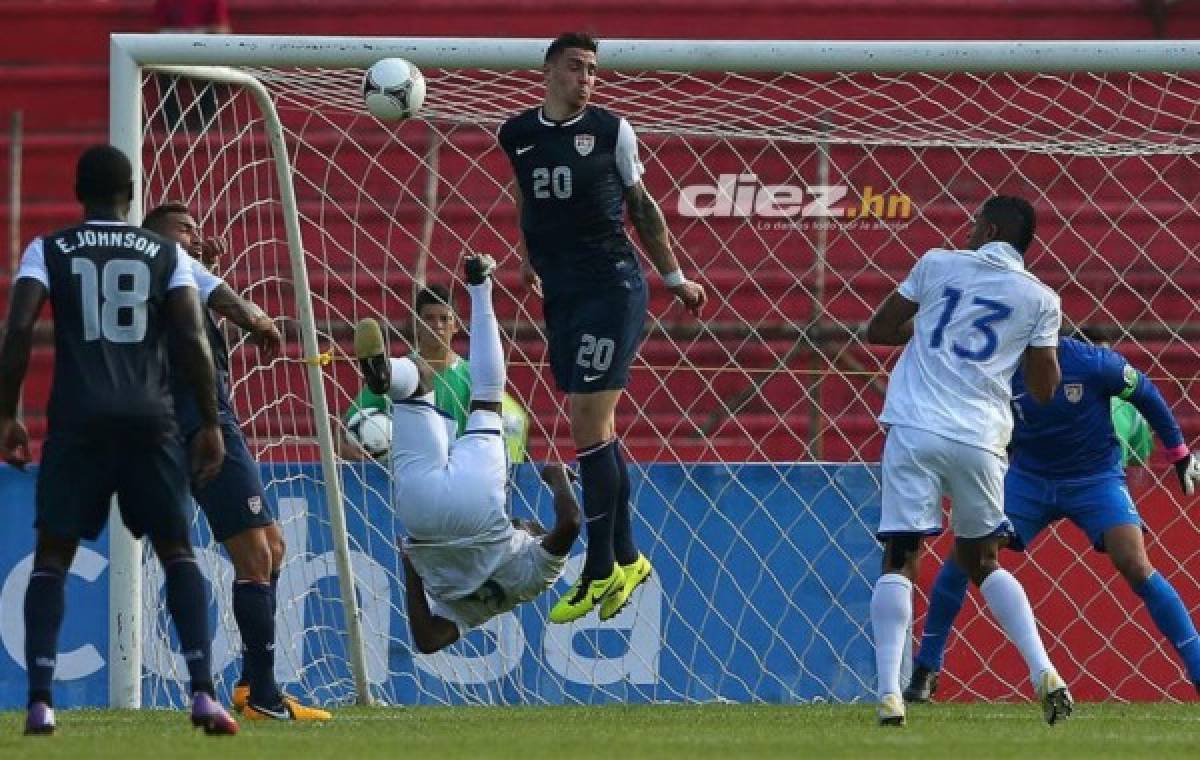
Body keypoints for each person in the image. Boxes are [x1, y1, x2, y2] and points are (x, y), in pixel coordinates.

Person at [0, 145, 237, 735]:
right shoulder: (164, 252)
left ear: (79, 194)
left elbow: (20, 327)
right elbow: (190, 335)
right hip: (150, 420)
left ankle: (41, 700)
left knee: (54, 557)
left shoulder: (47, 249)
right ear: (130, 195)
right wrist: (209, 423)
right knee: (177, 551)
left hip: (78, 421)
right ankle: (204, 693)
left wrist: (7, 413)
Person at [497, 32, 706, 624]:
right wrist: (526, 253)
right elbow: (526, 196)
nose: (586, 79)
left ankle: (598, 569)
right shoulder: (517, 135)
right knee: (598, 428)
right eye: (575, 68)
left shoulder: (614, 131)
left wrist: (674, 279)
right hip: (561, 292)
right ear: (548, 72)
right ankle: (629, 558)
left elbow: (643, 208)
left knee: (587, 423)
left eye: (592, 70)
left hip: (612, 286)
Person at [865, 195, 1070, 726]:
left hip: (914, 427)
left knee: (900, 557)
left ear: (991, 227)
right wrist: (1019, 350)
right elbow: (1045, 389)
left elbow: (879, 330)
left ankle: (889, 694)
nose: (971, 229)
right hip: (979, 437)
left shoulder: (937, 263)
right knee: (983, 561)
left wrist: (940, 337)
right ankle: (1043, 671)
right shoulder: (1040, 298)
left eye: (978, 222)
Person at [904, 336, 1200, 702]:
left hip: (1094, 478)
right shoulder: (1000, 366)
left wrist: (1179, 453)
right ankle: (926, 667)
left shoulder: (1094, 364)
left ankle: (1198, 666)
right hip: (1029, 478)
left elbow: (1145, 391)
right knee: (966, 553)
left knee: (1135, 562)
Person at [142, 202, 331, 721]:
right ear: (158, 235)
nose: (197, 238)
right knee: (255, 556)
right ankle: (263, 698)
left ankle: (254, 686)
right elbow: (239, 308)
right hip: (203, 425)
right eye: (186, 230)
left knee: (273, 545)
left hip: (206, 419)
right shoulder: (168, 262)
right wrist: (262, 322)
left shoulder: (170, 278)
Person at [353, 254, 579, 651]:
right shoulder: (482, 609)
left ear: (533, 539)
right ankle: (388, 375)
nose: (530, 524)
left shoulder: (535, 576)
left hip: (479, 510)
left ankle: (480, 287)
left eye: (534, 529)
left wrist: (557, 478)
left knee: (487, 397)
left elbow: (571, 523)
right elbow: (427, 641)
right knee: (418, 383)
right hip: (422, 523)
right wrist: (411, 570)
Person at [339, 284, 530, 463]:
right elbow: (345, 424)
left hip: (459, 476)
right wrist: (347, 449)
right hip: (407, 476)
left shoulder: (472, 376)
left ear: (455, 326)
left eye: (444, 319)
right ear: (417, 323)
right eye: (428, 318)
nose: (437, 325)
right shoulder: (398, 374)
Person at [154, 0, 231, 132]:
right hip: (174, 53)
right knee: (163, 71)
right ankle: (173, 124)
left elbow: (222, 31)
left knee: (219, 71)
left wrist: (200, 33)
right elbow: (158, 31)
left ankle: (203, 121)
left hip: (205, 53)